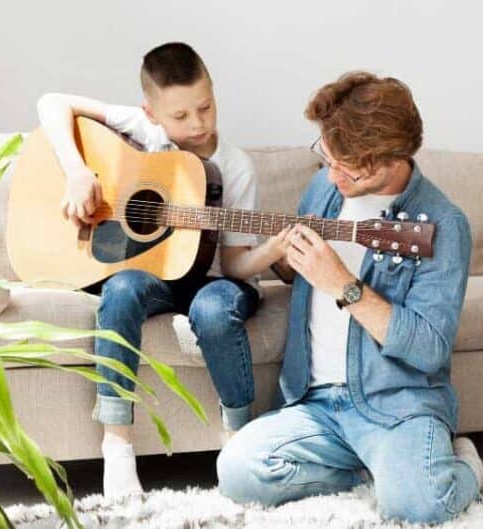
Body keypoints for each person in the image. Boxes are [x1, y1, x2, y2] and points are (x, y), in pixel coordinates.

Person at [216, 71, 483, 524]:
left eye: (346, 166)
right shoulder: (324, 187)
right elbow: (299, 277)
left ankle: (463, 465)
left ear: (390, 160)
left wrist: (344, 284)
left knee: (419, 507)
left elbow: (428, 348)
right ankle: (374, 469)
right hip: (316, 403)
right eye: (326, 156)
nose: (331, 173)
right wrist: (285, 256)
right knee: (236, 473)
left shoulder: (443, 224)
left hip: (396, 405)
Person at [37, 42, 291, 498]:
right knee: (121, 288)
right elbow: (51, 103)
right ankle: (117, 444)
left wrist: (272, 250)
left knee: (214, 311)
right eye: (180, 116)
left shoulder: (236, 167)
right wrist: (77, 171)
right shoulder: (140, 130)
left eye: (205, 108)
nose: (197, 124)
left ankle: (236, 437)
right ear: (151, 113)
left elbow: (235, 264)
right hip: (155, 275)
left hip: (218, 281)